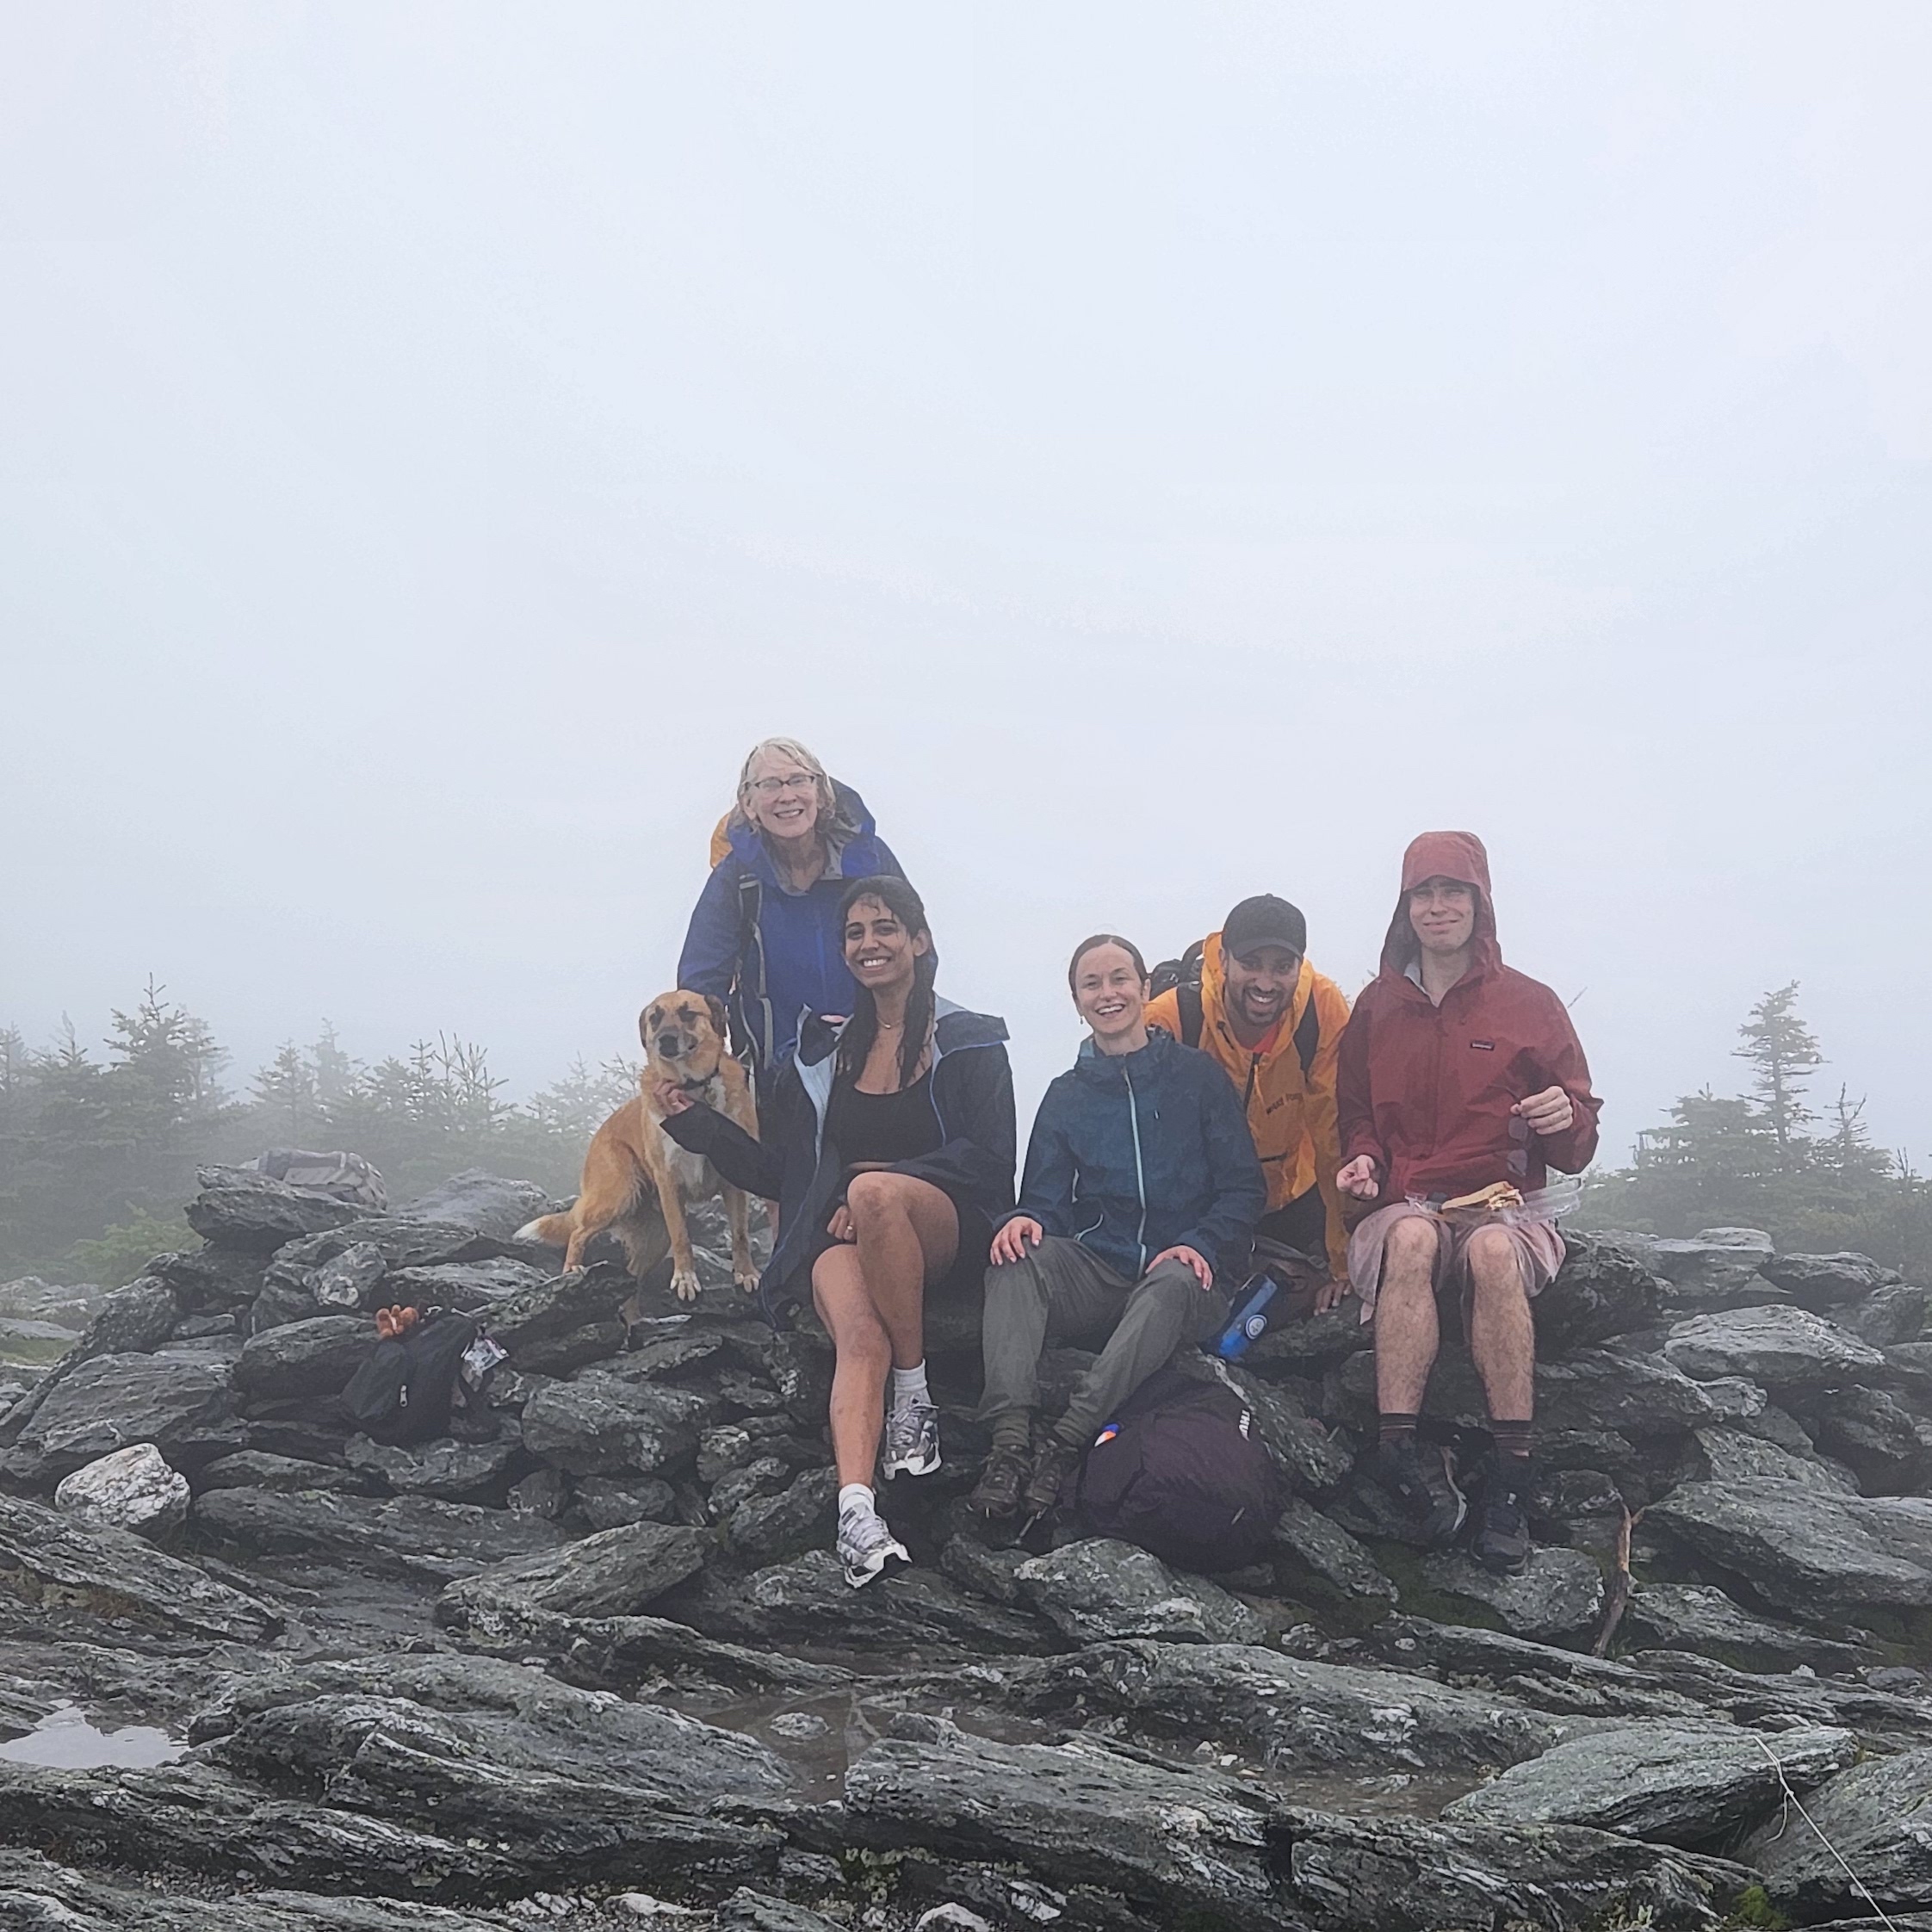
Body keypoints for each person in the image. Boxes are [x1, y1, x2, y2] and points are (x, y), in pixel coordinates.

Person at [658, 875, 1014, 1588]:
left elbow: (992, 1159)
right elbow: (782, 1172)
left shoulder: (969, 1040)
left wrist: (879, 1179)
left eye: (886, 928)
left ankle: (913, 1398)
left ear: (919, 940)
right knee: (859, 1337)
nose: (869, 944)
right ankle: (857, 1513)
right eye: (855, 933)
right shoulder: (820, 1054)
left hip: (941, 1224)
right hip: (842, 1232)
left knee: (876, 1192)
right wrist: (693, 1125)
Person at [1336, 831, 1601, 1575]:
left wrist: (1564, 1117)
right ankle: (1398, 1451)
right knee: (1413, 1238)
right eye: (1424, 892)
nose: (1438, 906)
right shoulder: (1376, 1008)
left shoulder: (1531, 1005)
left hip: (1507, 1208)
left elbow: (1577, 1144)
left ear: (1480, 903)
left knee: (1490, 1251)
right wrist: (1361, 1159)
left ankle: (1510, 1476)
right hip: (1407, 1204)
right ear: (1404, 906)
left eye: (1454, 891)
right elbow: (1354, 1114)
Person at [970, 934, 1266, 1521]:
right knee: (1016, 1260)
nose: (1108, 993)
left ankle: (1065, 1442)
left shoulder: (1197, 1077)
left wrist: (1201, 1242)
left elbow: (1243, 1189)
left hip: (1190, 1279)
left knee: (1173, 1279)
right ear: (1076, 1000)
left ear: (1144, 987)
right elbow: (1046, 1202)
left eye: (1119, 979)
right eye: (1092, 984)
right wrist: (1024, 1220)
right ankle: (1007, 1446)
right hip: (1102, 1270)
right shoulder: (1065, 1097)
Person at [1142, 894, 1353, 1303]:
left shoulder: (1321, 1009)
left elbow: (1333, 1134)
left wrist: (1343, 1265)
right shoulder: (1171, 1017)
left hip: (1292, 1196)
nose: (1265, 982)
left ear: (1300, 966)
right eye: (1251, 963)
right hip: (1201, 1205)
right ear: (1223, 959)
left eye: (1282, 967)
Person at [678, 738, 907, 1079]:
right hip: (777, 1077)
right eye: (770, 785)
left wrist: (904, 1035)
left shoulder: (870, 859)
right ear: (749, 803)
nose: (787, 796)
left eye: (799, 780)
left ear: (821, 791)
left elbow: (915, 948)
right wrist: (695, 1071)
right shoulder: (736, 879)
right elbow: (701, 984)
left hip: (875, 1065)